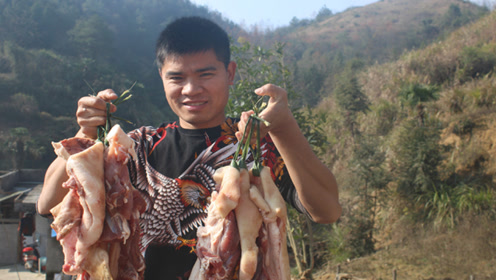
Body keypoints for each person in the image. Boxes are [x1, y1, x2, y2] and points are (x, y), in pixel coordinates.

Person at [37, 16, 341, 279]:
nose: (191, 89)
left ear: (230, 73)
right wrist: (85, 132)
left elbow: (326, 210)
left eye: (205, 74)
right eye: (177, 77)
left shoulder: (256, 147)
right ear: (162, 78)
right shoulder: (134, 148)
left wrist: (285, 128)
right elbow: (47, 202)